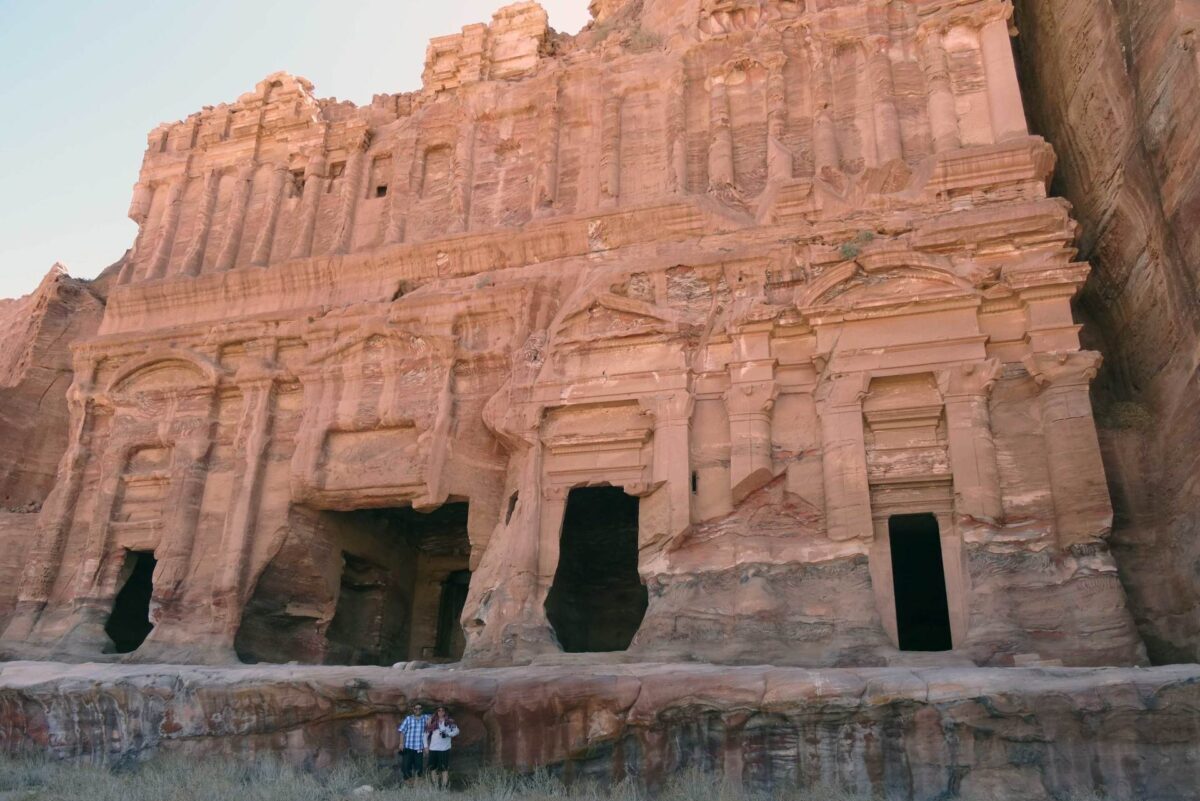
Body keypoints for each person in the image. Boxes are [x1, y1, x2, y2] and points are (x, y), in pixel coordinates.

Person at [423, 705, 460, 790]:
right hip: (433, 748)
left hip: (444, 748)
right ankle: (435, 787)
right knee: (433, 768)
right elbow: (425, 734)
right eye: (439, 710)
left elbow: (457, 731)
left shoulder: (449, 722)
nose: (441, 712)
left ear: (445, 712)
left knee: (444, 769)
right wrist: (426, 746)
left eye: (442, 710)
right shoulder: (432, 721)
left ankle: (444, 788)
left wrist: (448, 734)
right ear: (436, 712)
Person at [397, 702, 430, 783]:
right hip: (408, 747)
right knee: (406, 768)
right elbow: (402, 731)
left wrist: (430, 718)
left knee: (419, 768)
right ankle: (409, 785)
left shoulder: (425, 718)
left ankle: (417, 786)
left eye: (419, 708)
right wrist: (401, 743)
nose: (418, 710)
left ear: (422, 710)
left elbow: (436, 715)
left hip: (419, 748)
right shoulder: (408, 719)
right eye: (416, 709)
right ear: (413, 709)